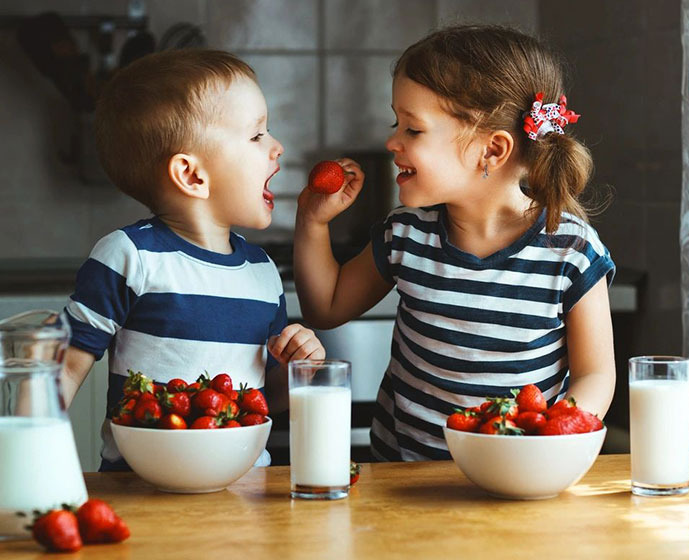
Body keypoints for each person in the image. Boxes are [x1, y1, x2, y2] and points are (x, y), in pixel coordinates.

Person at [293, 25, 616, 462]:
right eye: (397, 123)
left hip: (513, 478)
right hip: (402, 483)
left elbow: (596, 375)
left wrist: (552, 440)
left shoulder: (571, 251)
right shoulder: (406, 234)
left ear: (492, 150)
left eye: (413, 129)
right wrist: (313, 222)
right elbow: (325, 307)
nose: (392, 142)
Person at [60, 49, 325, 470]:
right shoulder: (129, 258)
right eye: (257, 136)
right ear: (192, 175)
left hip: (245, 496)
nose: (277, 147)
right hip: (141, 496)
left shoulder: (262, 272)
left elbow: (263, 399)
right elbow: (65, 368)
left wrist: (299, 372)